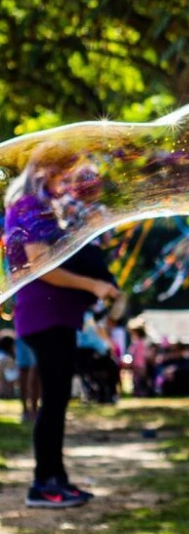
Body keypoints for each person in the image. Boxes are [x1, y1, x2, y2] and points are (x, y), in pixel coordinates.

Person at [3, 145, 119, 508]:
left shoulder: (41, 209)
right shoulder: (29, 207)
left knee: (58, 399)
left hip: (55, 316)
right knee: (53, 401)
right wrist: (93, 285)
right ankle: (42, 484)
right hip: (44, 316)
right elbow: (42, 266)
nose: (68, 183)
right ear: (45, 172)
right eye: (63, 175)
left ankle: (58, 479)